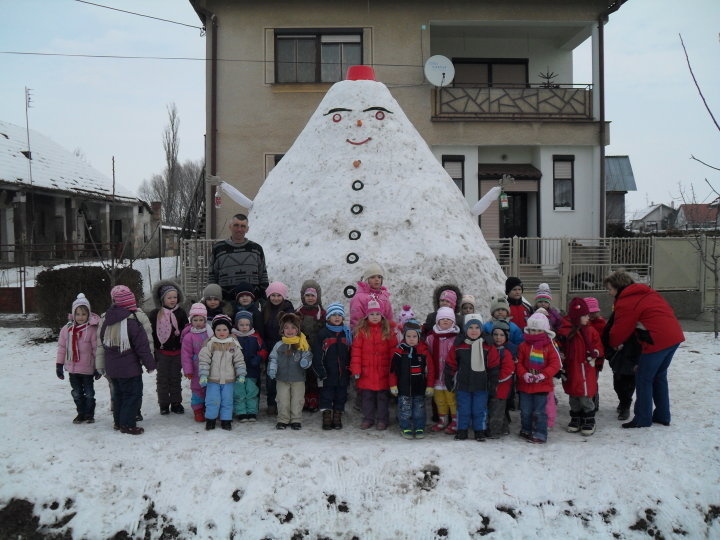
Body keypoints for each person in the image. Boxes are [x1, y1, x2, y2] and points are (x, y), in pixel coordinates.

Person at [604, 270, 685, 429]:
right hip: (674, 337)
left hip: (656, 341)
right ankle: (662, 415)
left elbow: (620, 329)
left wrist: (613, 343)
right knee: (659, 376)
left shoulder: (626, 301)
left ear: (618, 287)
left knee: (643, 378)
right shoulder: (648, 293)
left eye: (610, 289)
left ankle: (642, 418)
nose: (609, 292)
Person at [96, 286, 155, 435]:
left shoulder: (107, 321)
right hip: (130, 370)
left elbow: (102, 343)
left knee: (119, 395)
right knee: (132, 395)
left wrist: (101, 364)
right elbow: (142, 347)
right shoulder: (132, 322)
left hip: (113, 369)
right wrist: (150, 364)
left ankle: (118, 422)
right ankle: (127, 424)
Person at [557, 298, 604, 436]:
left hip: (586, 369)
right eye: (584, 315)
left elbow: (598, 346)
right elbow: (560, 348)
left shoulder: (591, 331)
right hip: (571, 369)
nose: (587, 317)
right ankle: (576, 418)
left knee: (585, 396)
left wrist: (595, 352)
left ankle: (589, 419)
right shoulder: (566, 332)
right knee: (573, 396)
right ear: (577, 317)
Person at [350, 299, 398, 430]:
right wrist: (356, 369)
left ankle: (383, 420)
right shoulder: (362, 331)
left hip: (383, 371)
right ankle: (368, 418)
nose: (375, 317)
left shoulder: (388, 330)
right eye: (372, 314)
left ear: (382, 315)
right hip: (366, 372)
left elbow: (393, 351)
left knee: (383, 398)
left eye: (377, 314)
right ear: (367, 316)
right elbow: (356, 352)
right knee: (367, 398)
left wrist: (394, 369)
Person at [56, 293, 101, 424]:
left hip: (87, 369)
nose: (80, 317)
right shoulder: (67, 329)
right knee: (76, 393)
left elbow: (96, 350)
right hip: (72, 368)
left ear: (88, 314)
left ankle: (89, 414)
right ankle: (81, 413)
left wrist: (98, 367)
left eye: (83, 314)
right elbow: (62, 348)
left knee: (89, 393)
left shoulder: (92, 330)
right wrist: (59, 364)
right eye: (78, 314)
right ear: (73, 314)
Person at [516, 313, 561, 444]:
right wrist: (524, 374)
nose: (534, 333)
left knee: (540, 412)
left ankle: (540, 433)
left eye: (538, 330)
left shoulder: (550, 346)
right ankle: (526, 429)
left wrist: (543, 375)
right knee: (525, 411)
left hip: (543, 385)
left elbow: (555, 363)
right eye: (532, 330)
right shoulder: (524, 345)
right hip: (526, 384)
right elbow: (518, 362)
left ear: (545, 331)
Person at [445, 313, 490, 441]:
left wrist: (493, 381)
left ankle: (479, 430)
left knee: (479, 409)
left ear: (481, 329)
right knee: (463, 409)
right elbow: (451, 362)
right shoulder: (459, 345)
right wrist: (449, 376)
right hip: (463, 384)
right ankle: (462, 430)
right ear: (465, 329)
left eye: (477, 327)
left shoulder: (486, 345)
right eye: (470, 327)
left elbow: (493, 364)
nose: (474, 330)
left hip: (481, 385)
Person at [198, 315, 246, 431]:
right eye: (218, 330)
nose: (221, 332)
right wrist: (204, 374)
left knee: (227, 401)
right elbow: (204, 360)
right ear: (214, 330)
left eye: (224, 329)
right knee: (212, 400)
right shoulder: (210, 344)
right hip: (213, 380)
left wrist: (241, 374)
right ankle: (211, 420)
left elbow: (239, 361)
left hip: (229, 380)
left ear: (229, 330)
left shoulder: (234, 344)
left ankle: (226, 420)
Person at [149, 280, 189, 415]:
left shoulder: (181, 313)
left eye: (175, 297)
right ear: (162, 299)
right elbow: (152, 333)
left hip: (177, 352)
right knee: (162, 379)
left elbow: (186, 331)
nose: (173, 300)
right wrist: (154, 351)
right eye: (169, 297)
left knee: (176, 378)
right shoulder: (155, 314)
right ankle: (164, 403)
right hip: (162, 352)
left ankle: (176, 402)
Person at [389, 319, 435, 439]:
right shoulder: (399, 351)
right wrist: (393, 385)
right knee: (404, 410)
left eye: (414, 336)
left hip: (419, 388)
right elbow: (393, 370)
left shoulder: (424, 352)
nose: (411, 339)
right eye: (408, 336)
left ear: (419, 336)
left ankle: (419, 427)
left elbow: (430, 370)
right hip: (403, 388)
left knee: (419, 410)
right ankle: (406, 427)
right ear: (404, 336)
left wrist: (430, 386)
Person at [208, 213, 269, 302]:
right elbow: (212, 276)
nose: (239, 229)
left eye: (243, 226)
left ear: (247, 229)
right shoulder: (218, 249)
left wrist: (263, 300)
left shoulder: (256, 249)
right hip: (226, 303)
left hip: (251, 304)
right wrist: (213, 298)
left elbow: (263, 276)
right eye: (236, 225)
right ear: (230, 227)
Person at [268, 312, 312, 430]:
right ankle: (283, 419)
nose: (289, 330)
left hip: (298, 378)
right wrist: (272, 368)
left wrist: (306, 361)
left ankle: (296, 419)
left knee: (297, 400)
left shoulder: (302, 344)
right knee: (282, 400)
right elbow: (273, 358)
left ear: (297, 330)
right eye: (286, 327)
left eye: (293, 327)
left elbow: (308, 356)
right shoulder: (279, 345)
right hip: (282, 378)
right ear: (282, 330)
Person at [312, 302, 352, 430]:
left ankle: (337, 415)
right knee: (326, 396)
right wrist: (320, 371)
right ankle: (327, 416)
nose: (337, 317)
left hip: (343, 373)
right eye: (333, 315)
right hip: (327, 374)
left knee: (341, 396)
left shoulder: (346, 333)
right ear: (328, 317)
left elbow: (351, 353)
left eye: (339, 315)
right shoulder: (323, 334)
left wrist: (350, 368)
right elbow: (317, 355)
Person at [261, 281, 295, 416]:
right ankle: (271, 403)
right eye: (273, 295)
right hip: (270, 348)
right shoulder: (265, 310)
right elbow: (262, 329)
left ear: (283, 297)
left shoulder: (288, 310)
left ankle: (286, 404)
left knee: (286, 377)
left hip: (286, 347)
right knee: (271, 377)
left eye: (278, 295)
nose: (275, 298)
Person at [426, 306, 461, 434]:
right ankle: (442, 420)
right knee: (439, 400)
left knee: (452, 399)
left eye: (448, 319)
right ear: (437, 322)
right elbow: (427, 355)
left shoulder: (457, 338)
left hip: (450, 376)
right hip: (436, 377)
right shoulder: (431, 338)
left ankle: (455, 421)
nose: (445, 321)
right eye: (442, 319)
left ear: (453, 322)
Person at [601, 310, 640, 421]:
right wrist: (611, 351)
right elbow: (607, 334)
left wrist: (639, 359)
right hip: (618, 356)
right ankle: (623, 401)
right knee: (618, 384)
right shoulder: (617, 314)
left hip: (633, 356)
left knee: (630, 383)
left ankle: (625, 405)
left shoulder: (638, 316)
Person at [296, 279, 326, 413]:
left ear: (317, 297)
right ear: (303, 296)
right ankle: (303, 398)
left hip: (316, 348)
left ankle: (313, 398)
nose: (310, 298)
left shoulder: (321, 313)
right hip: (301, 349)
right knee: (303, 374)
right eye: (307, 295)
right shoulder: (298, 312)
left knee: (314, 374)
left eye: (313, 296)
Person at [181, 303, 213, 422]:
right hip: (196, 369)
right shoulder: (189, 337)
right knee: (197, 389)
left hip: (210, 368)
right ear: (191, 320)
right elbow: (186, 355)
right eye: (195, 320)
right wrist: (188, 370)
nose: (198, 322)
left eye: (201, 319)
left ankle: (209, 407)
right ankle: (197, 410)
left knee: (210, 388)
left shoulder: (210, 334)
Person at [232, 310, 267, 422]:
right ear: (237, 325)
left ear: (251, 325)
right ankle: (241, 412)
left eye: (247, 325)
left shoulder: (256, 337)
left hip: (252, 370)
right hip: (237, 371)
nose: (244, 327)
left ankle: (252, 411)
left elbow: (263, 350)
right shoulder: (233, 338)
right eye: (241, 325)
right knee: (239, 392)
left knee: (252, 391)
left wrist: (258, 358)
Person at [484, 320, 516, 438]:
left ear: (507, 336)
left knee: (497, 410)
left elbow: (508, 370)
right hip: (490, 385)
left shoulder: (506, 352)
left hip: (501, 387)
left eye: (502, 335)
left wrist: (496, 379)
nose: (498, 338)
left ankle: (494, 431)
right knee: (494, 408)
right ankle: (504, 427)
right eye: (495, 334)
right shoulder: (489, 349)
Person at [349, 262, 394, 330]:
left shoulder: (384, 297)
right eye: (373, 277)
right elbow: (356, 321)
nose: (377, 279)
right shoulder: (359, 298)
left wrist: (389, 333)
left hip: (383, 336)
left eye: (379, 277)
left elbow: (389, 318)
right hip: (366, 336)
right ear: (367, 280)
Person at [585, 297, 607, 412]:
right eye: (590, 313)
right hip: (584, 358)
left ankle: (594, 401)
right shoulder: (582, 324)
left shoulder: (601, 324)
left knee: (593, 380)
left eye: (594, 312)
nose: (592, 315)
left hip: (596, 358)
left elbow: (603, 342)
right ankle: (586, 401)